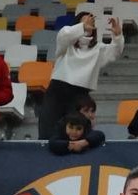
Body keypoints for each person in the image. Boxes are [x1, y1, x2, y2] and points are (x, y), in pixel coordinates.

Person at [37, 12, 123, 142]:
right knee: (47, 133)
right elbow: (64, 34)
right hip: (57, 91)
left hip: (80, 96)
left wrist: (117, 36)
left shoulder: (98, 48)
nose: (88, 25)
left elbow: (115, 52)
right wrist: (82, 27)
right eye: (84, 22)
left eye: (91, 23)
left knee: (77, 135)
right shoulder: (66, 45)